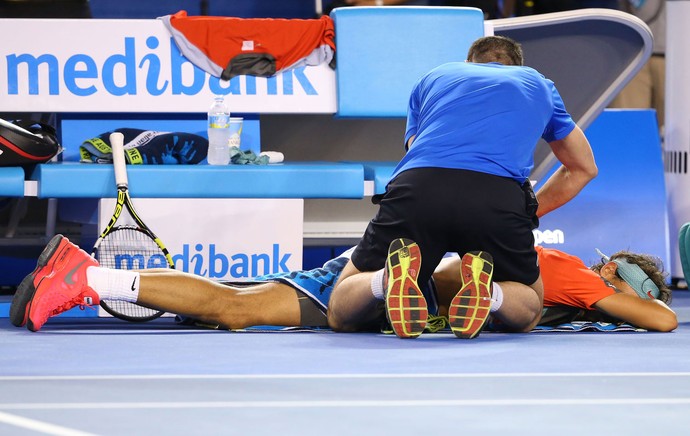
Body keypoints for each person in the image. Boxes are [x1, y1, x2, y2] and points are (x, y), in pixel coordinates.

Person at [325, 35, 598, 340]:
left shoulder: (434, 77)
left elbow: (417, 151)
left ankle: (388, 280)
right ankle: (491, 293)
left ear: (469, 63)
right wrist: (528, 213)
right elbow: (583, 168)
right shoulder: (537, 84)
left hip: (420, 188)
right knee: (529, 308)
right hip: (497, 198)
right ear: (517, 67)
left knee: (340, 312)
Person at [10, 234, 676, 333]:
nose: (644, 295)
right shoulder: (579, 279)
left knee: (227, 297)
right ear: (616, 271)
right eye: (643, 282)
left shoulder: (535, 252)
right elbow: (662, 322)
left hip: (383, 260)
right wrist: (636, 304)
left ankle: (81, 267)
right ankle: (87, 275)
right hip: (379, 278)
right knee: (236, 309)